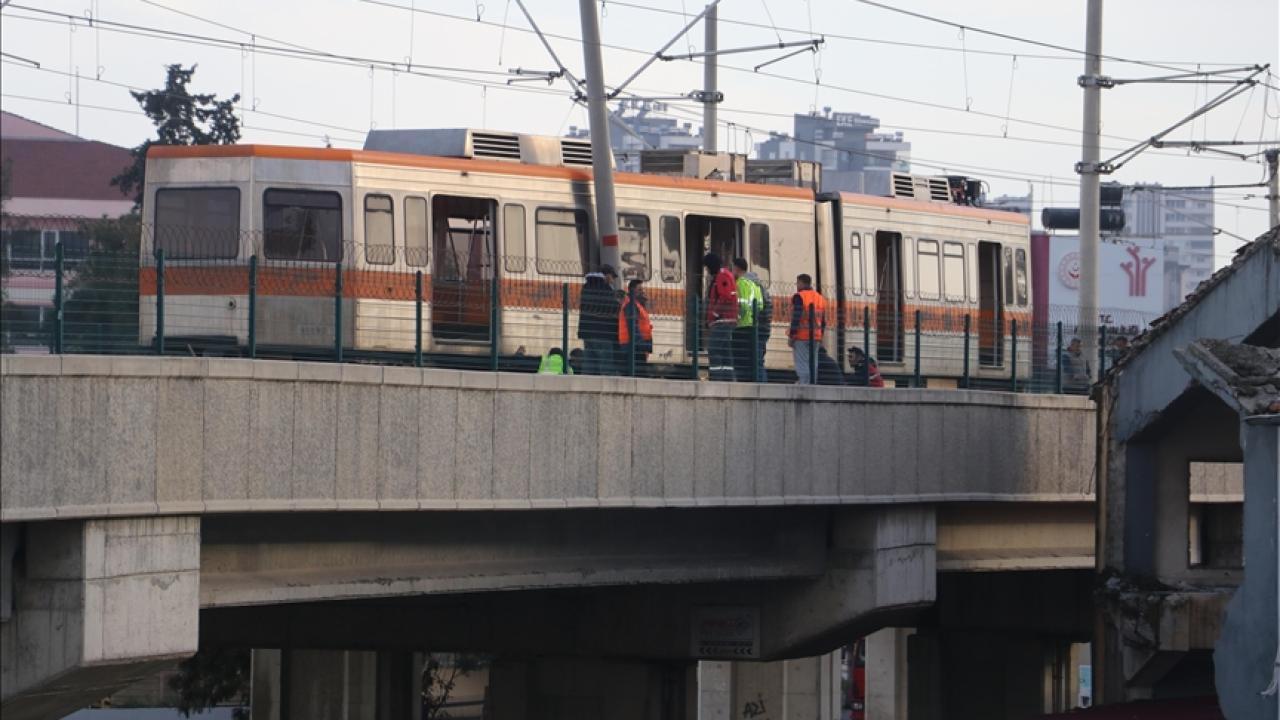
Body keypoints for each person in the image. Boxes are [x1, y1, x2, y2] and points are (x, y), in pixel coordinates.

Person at [578, 265, 620, 375]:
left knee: (590, 364)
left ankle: (587, 383)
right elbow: (611, 308)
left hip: (587, 332)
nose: (613, 281)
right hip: (603, 332)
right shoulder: (605, 289)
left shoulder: (587, 287)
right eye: (612, 277)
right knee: (605, 366)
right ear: (607, 276)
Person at [703, 253, 738, 381]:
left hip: (723, 320)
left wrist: (714, 314)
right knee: (725, 351)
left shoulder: (721, 276)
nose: (707, 270)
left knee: (714, 348)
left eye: (707, 267)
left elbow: (725, 296)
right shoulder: (725, 275)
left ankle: (716, 377)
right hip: (726, 319)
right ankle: (729, 378)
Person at [787, 274, 826, 384]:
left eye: (797, 283)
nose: (797, 285)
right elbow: (823, 321)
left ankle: (804, 385)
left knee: (802, 363)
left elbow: (797, 316)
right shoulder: (820, 298)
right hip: (816, 337)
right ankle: (812, 384)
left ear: (801, 283)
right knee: (813, 363)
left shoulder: (800, 296)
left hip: (802, 336)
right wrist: (821, 335)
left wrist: (792, 335)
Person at [731, 257, 764, 382]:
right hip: (753, 326)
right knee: (751, 360)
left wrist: (737, 318)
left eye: (732, 268)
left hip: (742, 327)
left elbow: (742, 305)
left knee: (740, 360)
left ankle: (742, 383)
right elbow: (760, 306)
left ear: (736, 268)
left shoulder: (740, 283)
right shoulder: (755, 285)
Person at [743, 266, 772, 382]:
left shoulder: (750, 288)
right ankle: (761, 381)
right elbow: (768, 310)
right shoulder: (762, 289)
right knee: (759, 359)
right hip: (764, 328)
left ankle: (760, 382)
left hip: (757, 327)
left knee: (756, 359)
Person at [618, 278, 654, 374]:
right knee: (637, 374)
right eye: (640, 289)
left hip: (636, 345)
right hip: (633, 346)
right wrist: (642, 346)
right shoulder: (630, 305)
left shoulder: (636, 304)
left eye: (643, 289)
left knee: (638, 373)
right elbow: (633, 328)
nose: (643, 292)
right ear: (633, 291)